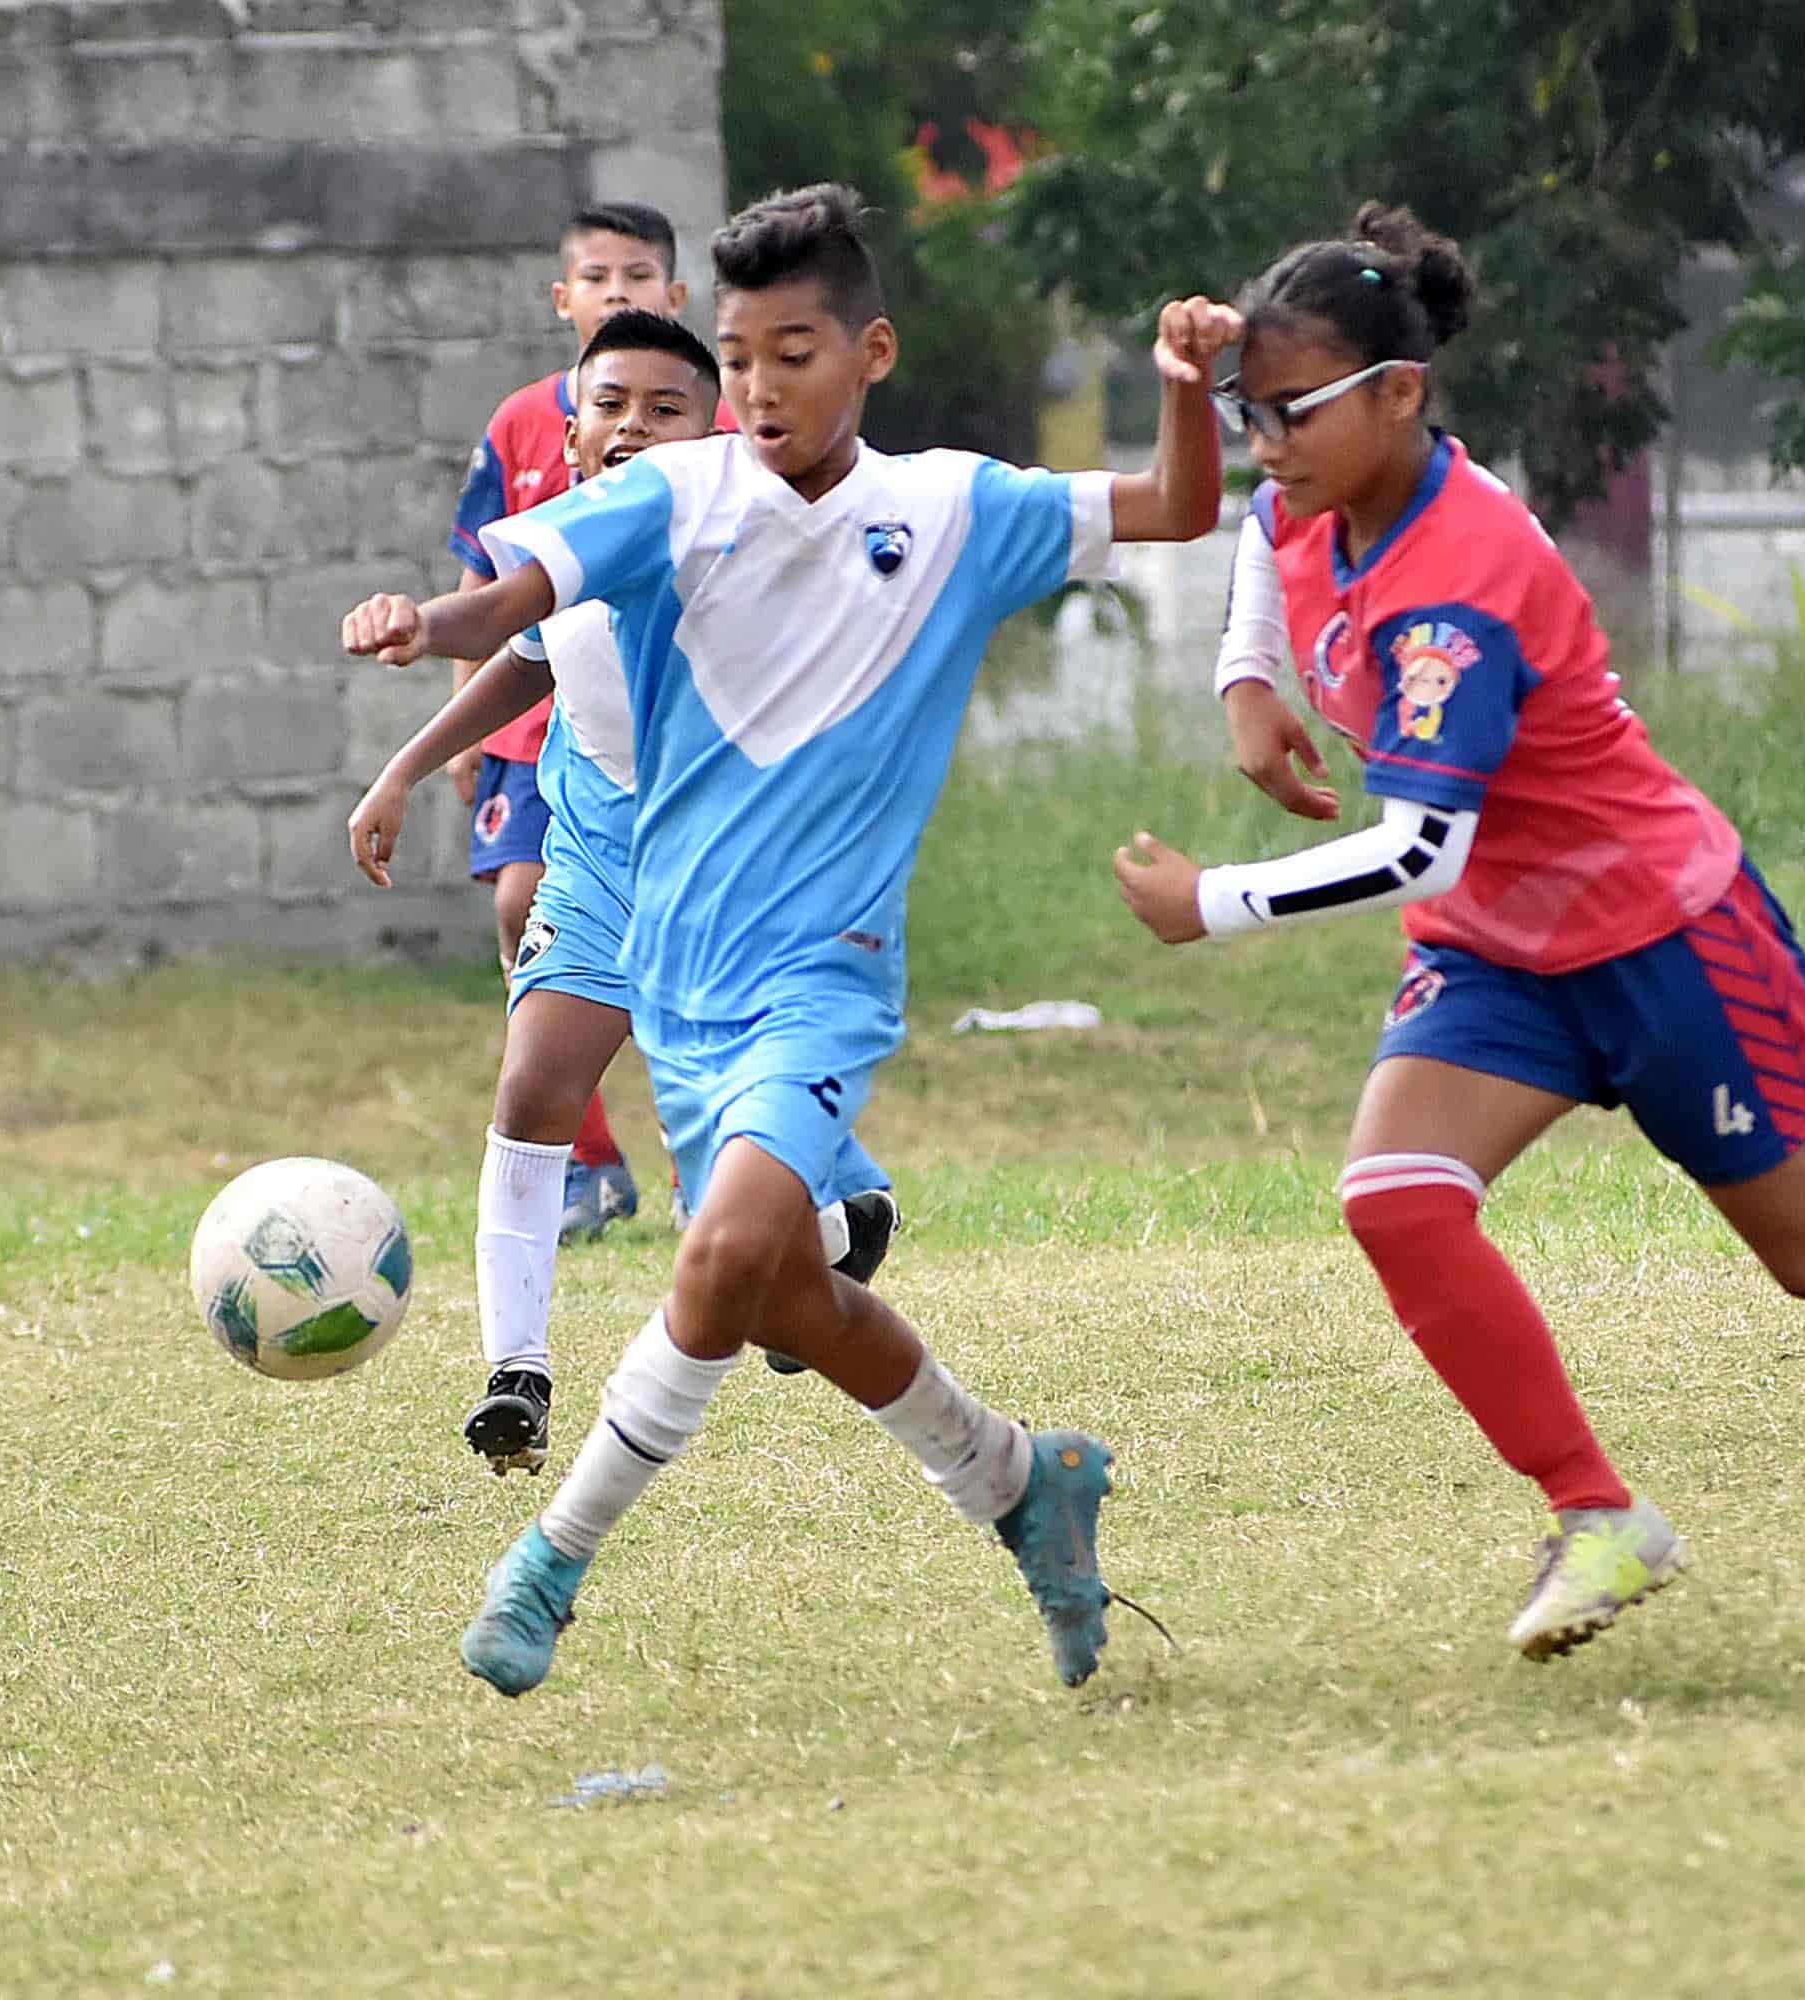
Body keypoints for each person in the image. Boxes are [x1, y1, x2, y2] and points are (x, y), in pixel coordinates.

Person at [1111, 204, 1805, 1661]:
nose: (1264, 445)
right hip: (1497, 952)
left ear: (1402, 394)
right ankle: (1598, 1515)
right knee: (1397, 1197)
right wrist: (1248, 680)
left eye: (1289, 413)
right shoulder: (1324, 487)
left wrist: (1209, 904)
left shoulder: (1457, 585)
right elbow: (1265, 536)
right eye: (1249, 413)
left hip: (1663, 937)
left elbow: (1424, 844)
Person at [341, 183, 1234, 1694]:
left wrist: (1181, 390)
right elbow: (520, 594)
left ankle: (550, 1562)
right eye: (740, 359)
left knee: (731, 1250)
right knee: (787, 1300)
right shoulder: (676, 497)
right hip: (676, 988)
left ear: (871, 353)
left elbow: (1175, 507)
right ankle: (1023, 1484)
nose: (757, 391)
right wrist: (422, 625)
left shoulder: (951, 509)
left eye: (791, 355)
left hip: (821, 978)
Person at [350, 308, 898, 1479]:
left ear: (719, 431)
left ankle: (845, 1224)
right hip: (599, 855)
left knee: (737, 1151)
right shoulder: (566, 540)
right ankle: (517, 1371)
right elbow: (518, 644)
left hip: (738, 874)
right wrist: (402, 752)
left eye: (666, 408)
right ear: (573, 426)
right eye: (610, 406)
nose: (634, 428)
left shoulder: (753, 544)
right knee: (533, 1085)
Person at [445, 200, 716, 1241]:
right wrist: (454, 727)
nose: (617, 292)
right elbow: (492, 581)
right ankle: (583, 1155)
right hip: (542, 715)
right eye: (596, 277)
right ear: (564, 299)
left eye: (637, 276)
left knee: (689, 966)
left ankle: (723, 1161)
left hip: (673, 756)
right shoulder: (522, 424)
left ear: (675, 296)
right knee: (523, 905)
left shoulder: (707, 444)